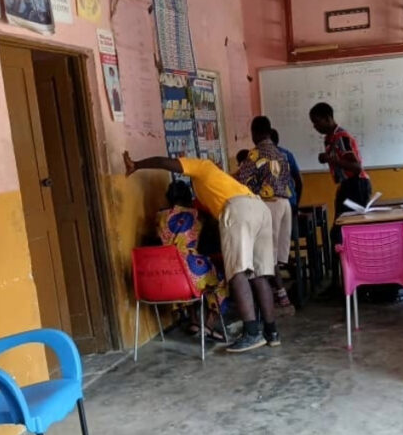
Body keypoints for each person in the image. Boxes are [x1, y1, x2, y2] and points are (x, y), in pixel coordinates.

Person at [124, 151, 279, 353]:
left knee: (237, 273)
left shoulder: (202, 166)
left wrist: (136, 164)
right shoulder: (220, 184)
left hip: (238, 210)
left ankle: (251, 333)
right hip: (260, 208)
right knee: (260, 275)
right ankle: (272, 333)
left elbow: (164, 162)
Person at [234, 116, 295, 314]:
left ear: (256, 133)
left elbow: (241, 180)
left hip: (269, 206)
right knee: (275, 257)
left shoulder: (255, 154)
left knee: (265, 257)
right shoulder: (281, 153)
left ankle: (279, 299)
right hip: (285, 204)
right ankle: (281, 295)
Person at [156, 181, 229, 341]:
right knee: (221, 282)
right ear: (189, 196)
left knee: (188, 285)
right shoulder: (197, 214)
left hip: (167, 270)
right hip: (192, 265)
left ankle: (194, 321)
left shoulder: (160, 216)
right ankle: (209, 325)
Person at [309, 102, 372, 287]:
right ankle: (340, 281)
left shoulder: (341, 137)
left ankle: (352, 281)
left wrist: (330, 159)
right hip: (347, 186)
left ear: (328, 118)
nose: (315, 126)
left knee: (344, 233)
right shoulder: (329, 139)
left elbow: (356, 166)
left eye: (317, 122)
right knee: (338, 234)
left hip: (357, 186)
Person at [269, 128, 302, 210]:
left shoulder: (261, 156)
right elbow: (299, 181)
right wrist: (296, 203)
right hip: (290, 201)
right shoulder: (287, 155)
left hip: (272, 203)